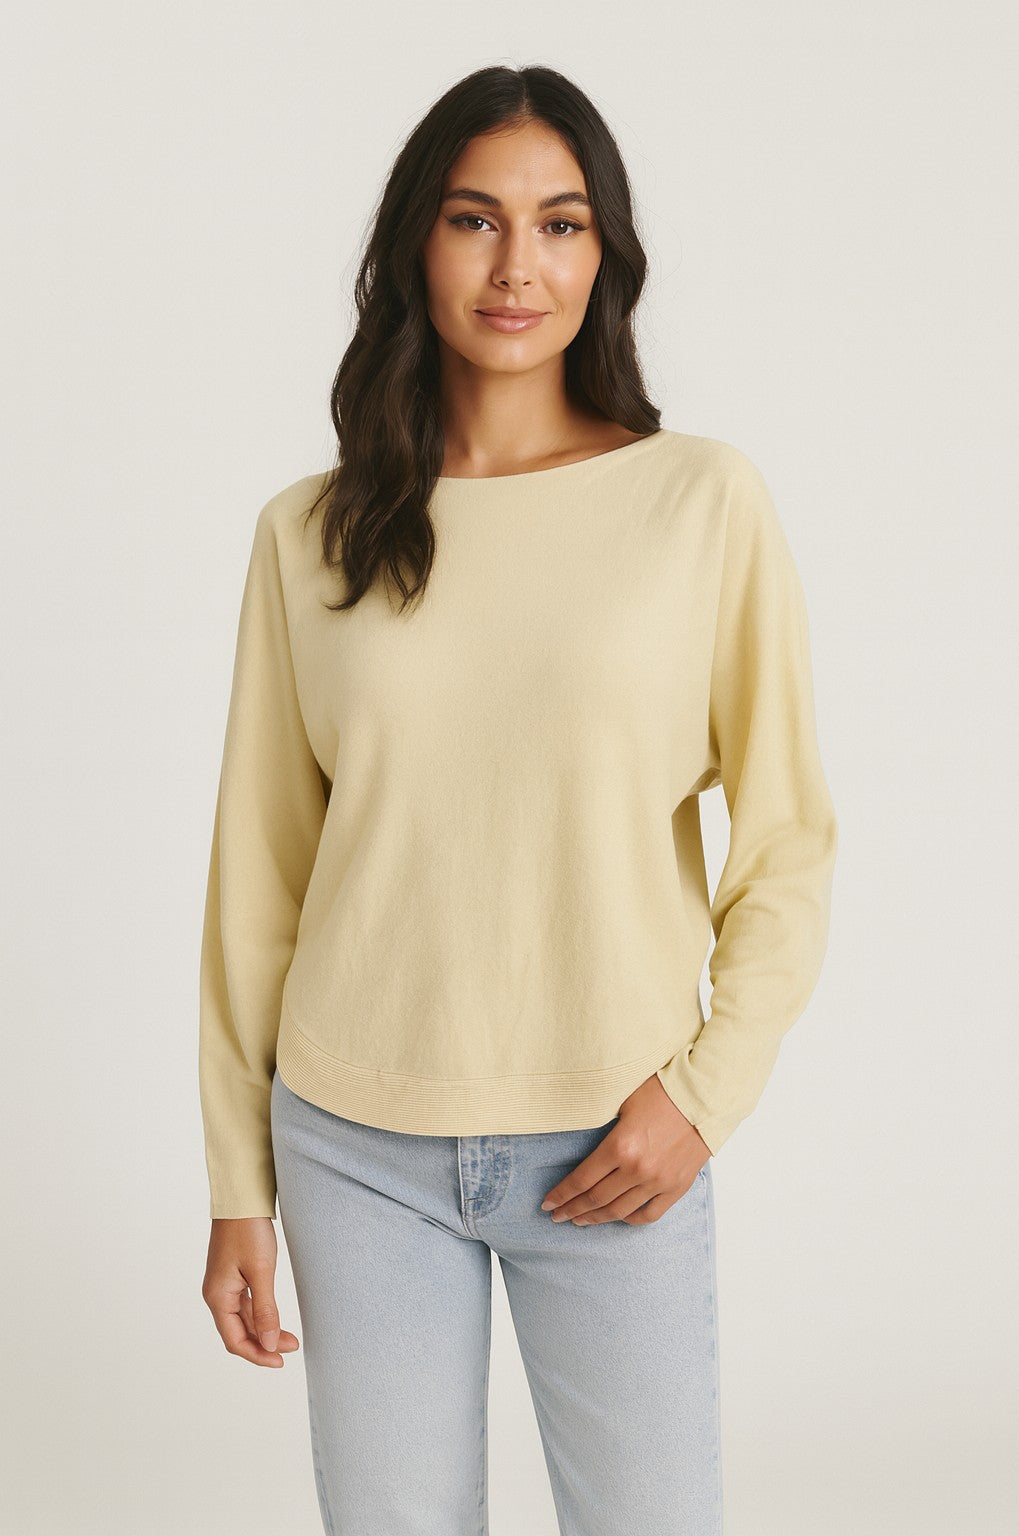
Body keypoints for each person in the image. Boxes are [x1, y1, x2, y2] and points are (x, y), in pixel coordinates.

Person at [198, 62, 838, 1536]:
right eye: (474, 218)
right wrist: (239, 1178)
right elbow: (258, 876)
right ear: (414, 244)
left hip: (615, 1137)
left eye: (560, 223)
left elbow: (790, 841)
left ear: (604, 253)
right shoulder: (310, 532)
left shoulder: (699, 503)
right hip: (353, 1144)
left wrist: (704, 1096)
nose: (515, 267)